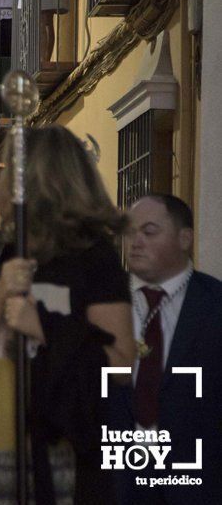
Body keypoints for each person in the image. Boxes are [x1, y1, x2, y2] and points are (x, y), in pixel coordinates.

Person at [0, 126, 135, 504]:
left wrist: (45, 327)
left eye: (3, 167)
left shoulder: (92, 257)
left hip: (62, 457)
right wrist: (0, 294)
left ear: (34, 179)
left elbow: (121, 365)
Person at [109, 195, 222, 504]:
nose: (136, 241)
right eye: (130, 232)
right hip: (114, 485)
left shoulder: (214, 304)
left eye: (149, 231)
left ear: (185, 238)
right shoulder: (103, 302)